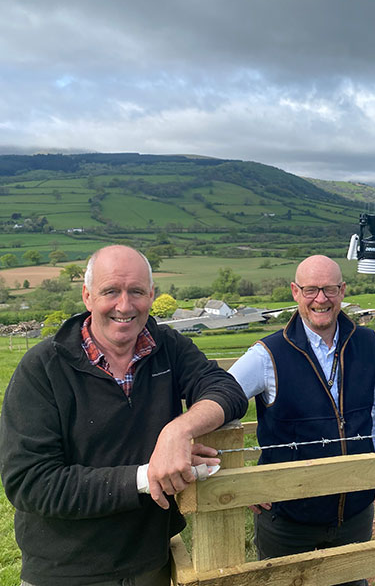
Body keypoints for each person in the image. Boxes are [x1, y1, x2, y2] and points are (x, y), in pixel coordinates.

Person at [0, 245, 248, 586]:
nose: (124, 305)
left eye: (136, 292)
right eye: (110, 292)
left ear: (152, 294)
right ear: (87, 296)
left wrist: (177, 430)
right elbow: (30, 482)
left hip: (152, 563)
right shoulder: (43, 368)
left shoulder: (168, 347)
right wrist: (147, 478)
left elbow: (227, 389)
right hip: (67, 571)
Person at [229, 254, 375, 586]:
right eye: (311, 289)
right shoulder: (267, 354)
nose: (321, 299)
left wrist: (372, 460)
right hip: (288, 519)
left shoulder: (368, 344)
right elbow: (217, 402)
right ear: (294, 292)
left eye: (330, 289)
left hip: (354, 513)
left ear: (342, 291)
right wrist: (239, 478)